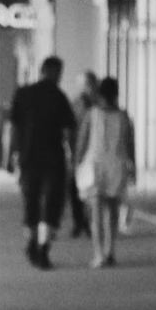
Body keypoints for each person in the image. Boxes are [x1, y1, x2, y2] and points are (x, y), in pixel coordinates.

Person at [8, 56, 78, 269]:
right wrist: (74, 157)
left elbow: (14, 127)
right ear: (56, 73)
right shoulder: (59, 97)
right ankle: (43, 250)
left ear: (41, 70)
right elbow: (69, 130)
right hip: (53, 159)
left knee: (31, 202)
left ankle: (31, 242)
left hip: (28, 158)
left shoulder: (23, 94)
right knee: (51, 205)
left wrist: (12, 156)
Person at [73, 76, 137, 269]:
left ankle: (99, 253)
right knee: (112, 212)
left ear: (99, 94)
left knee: (97, 212)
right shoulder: (124, 116)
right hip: (116, 166)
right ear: (117, 94)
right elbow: (130, 145)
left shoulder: (92, 114)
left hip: (95, 166)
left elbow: (82, 140)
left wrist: (76, 162)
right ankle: (110, 251)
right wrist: (133, 169)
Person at [68, 70, 101, 242]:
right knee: (76, 188)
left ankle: (89, 222)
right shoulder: (76, 104)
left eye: (90, 84)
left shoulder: (100, 104)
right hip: (79, 150)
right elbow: (70, 128)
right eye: (85, 85)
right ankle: (79, 222)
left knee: (92, 188)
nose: (88, 88)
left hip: (95, 152)